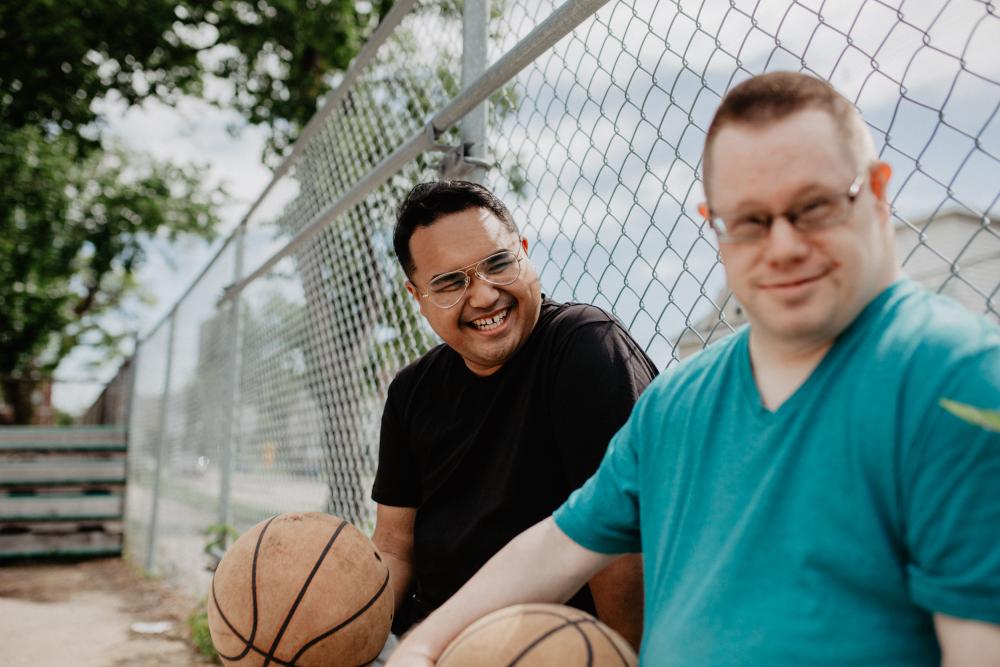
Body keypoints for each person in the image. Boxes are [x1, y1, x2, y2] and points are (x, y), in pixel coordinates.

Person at [386, 72, 1000, 666]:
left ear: (877, 192)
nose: (783, 245)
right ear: (716, 225)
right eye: (751, 220)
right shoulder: (683, 402)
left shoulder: (959, 382)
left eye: (814, 207)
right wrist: (420, 646)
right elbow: (556, 546)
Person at [370, 180, 656, 649]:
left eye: (498, 263)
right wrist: (340, 626)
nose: (484, 296)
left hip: (550, 648)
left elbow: (624, 542)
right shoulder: (410, 391)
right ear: (416, 296)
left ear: (524, 252)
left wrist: (622, 658)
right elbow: (393, 546)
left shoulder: (585, 346)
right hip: (430, 642)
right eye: (449, 282)